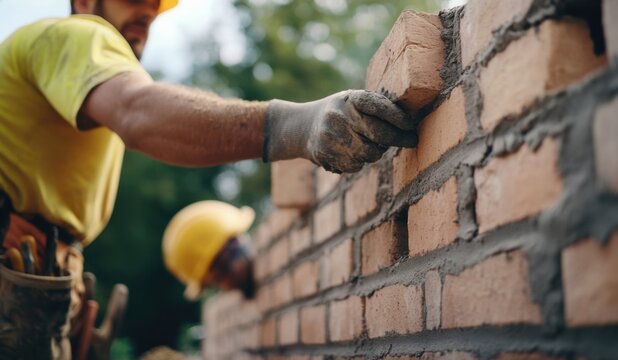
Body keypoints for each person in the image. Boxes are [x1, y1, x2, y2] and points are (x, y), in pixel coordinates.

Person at [0, 0, 418, 358]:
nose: (147, 9)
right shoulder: (75, 36)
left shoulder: (67, 78)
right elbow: (139, 111)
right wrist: (297, 125)